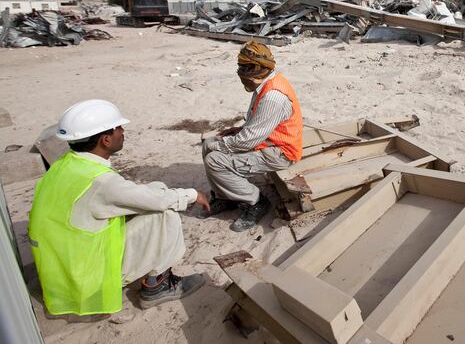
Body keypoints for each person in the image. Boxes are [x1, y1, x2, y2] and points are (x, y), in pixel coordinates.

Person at [28, 99, 211, 316]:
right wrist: (192, 194)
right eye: (118, 128)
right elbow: (158, 202)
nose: (123, 131)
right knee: (166, 214)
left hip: (63, 267)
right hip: (87, 276)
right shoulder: (101, 182)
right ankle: (157, 286)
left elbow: (139, 195)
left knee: (156, 189)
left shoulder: (66, 165)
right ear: (106, 140)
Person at [202, 40, 303, 232]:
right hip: (267, 141)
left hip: (281, 152)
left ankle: (256, 202)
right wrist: (239, 130)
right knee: (208, 143)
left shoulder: (273, 96)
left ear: (257, 68)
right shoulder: (266, 84)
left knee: (215, 159)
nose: (241, 72)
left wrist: (223, 146)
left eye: (245, 67)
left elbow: (250, 138)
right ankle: (225, 196)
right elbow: (258, 125)